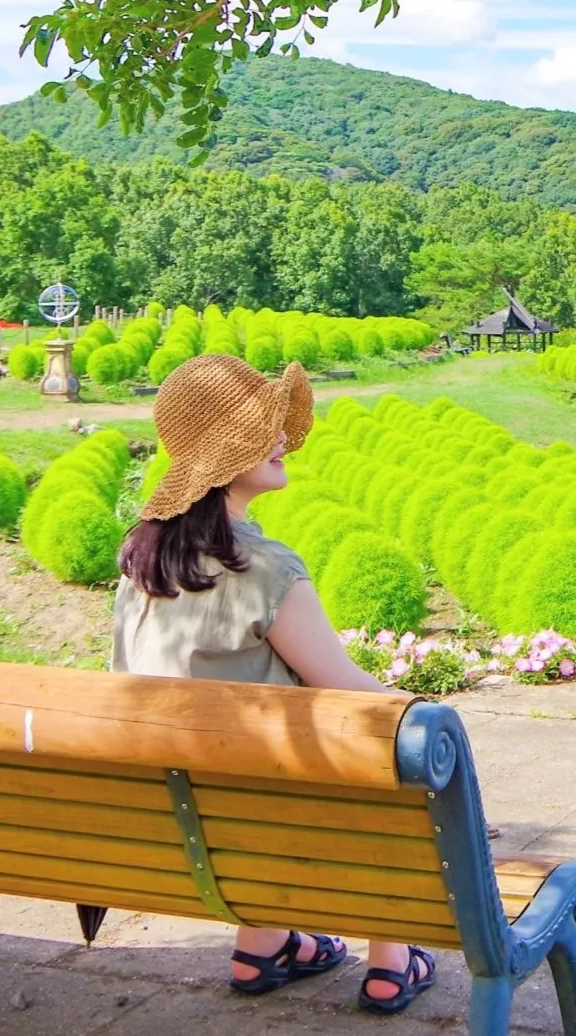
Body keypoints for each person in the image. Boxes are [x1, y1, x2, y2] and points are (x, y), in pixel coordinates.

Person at [113, 351, 435, 1015]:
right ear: (229, 454)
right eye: (266, 428)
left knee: (237, 770)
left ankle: (263, 944)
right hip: (275, 812)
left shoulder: (142, 565)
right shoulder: (263, 568)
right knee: (398, 747)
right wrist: (425, 710)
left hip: (181, 821)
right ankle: (390, 961)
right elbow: (343, 684)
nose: (284, 437)